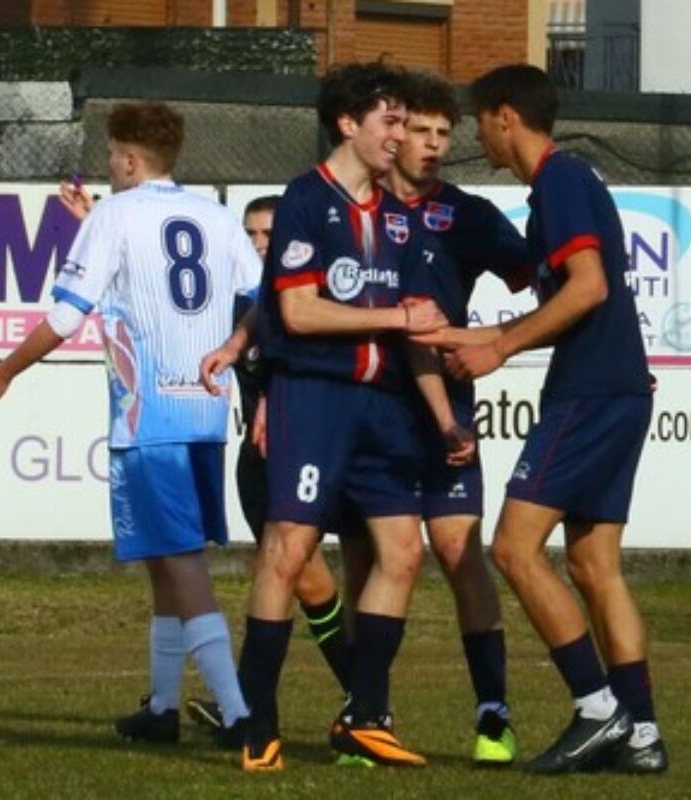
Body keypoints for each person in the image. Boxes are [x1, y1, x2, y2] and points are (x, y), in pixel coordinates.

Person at [209, 62, 473, 772]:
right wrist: (390, 315)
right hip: (315, 397)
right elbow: (295, 309)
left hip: (386, 405)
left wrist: (444, 417)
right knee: (288, 549)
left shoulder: (397, 217)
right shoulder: (305, 200)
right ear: (348, 125)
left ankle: (363, 715)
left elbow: (416, 326)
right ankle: (255, 719)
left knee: (403, 552)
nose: (400, 134)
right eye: (388, 121)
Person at [0, 101, 254, 751]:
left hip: (148, 413)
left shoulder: (115, 217)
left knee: (179, 561)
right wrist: (234, 346)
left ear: (127, 158)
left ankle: (240, 716)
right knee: (164, 557)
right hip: (205, 410)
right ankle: (161, 706)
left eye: (112, 155)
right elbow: (261, 296)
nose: (109, 164)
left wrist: (5, 371)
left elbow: (67, 316)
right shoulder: (215, 214)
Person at [418, 64, 666, 775]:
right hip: (617, 387)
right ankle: (642, 733)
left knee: (513, 550)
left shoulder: (558, 183)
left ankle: (598, 709)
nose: (475, 136)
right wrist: (463, 336)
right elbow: (572, 303)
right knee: (594, 564)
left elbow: (587, 287)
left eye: (476, 121)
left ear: (504, 117)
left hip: (589, 395)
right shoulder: (570, 183)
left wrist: (497, 345)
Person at [337, 70, 531, 766]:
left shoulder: (468, 214)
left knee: (458, 552)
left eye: (444, 133)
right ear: (391, 133)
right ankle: (367, 714)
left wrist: (502, 341)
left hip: (450, 413)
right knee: (374, 557)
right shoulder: (350, 211)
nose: (432, 145)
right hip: (369, 411)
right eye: (419, 130)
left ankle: (494, 714)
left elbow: (545, 278)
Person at [185, 195, 353, 732]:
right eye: (252, 234)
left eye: (270, 234)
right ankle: (257, 705)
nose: (261, 244)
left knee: (304, 581)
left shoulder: (308, 302)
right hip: (259, 464)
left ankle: (358, 701)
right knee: (290, 581)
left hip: (302, 456)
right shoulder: (247, 306)